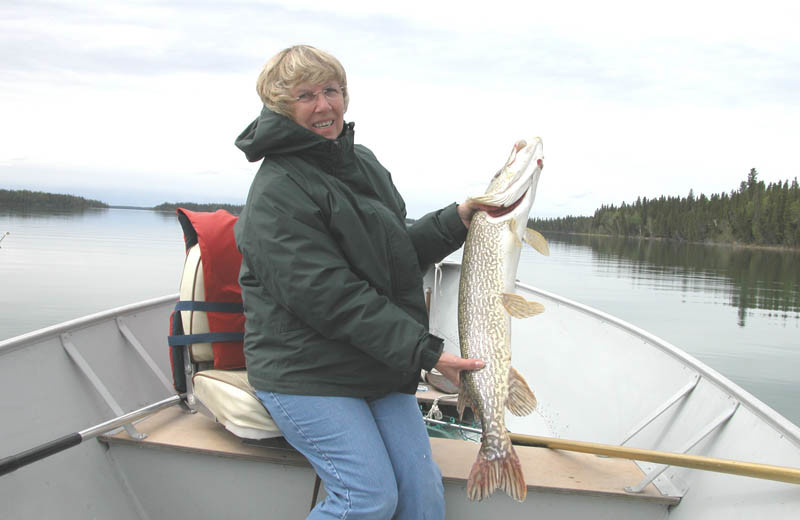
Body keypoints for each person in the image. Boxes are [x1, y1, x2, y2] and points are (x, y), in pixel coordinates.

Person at [233, 45, 484, 520]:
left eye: (331, 90)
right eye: (306, 95)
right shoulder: (277, 190)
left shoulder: (361, 164)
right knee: (366, 498)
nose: (324, 105)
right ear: (281, 107)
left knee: (423, 498)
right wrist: (427, 353)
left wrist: (458, 220)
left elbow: (392, 259)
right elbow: (332, 298)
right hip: (304, 371)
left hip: (371, 363)